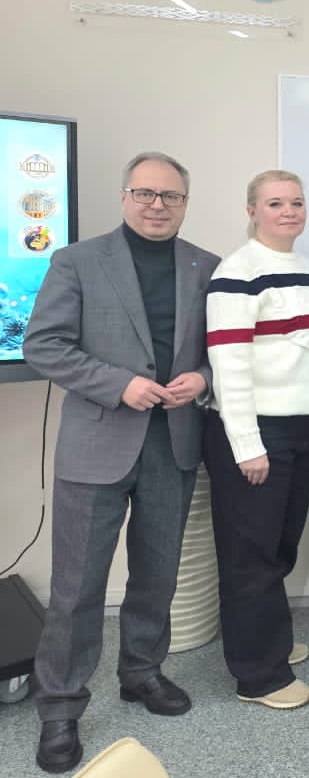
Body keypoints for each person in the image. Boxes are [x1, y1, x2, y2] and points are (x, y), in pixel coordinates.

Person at [24, 153, 218, 774]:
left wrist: (203, 378)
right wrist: (118, 384)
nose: (158, 205)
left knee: (157, 576)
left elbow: (225, 352)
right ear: (125, 196)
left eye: (171, 196)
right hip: (97, 444)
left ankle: (141, 672)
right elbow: (43, 345)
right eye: (146, 193)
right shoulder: (77, 260)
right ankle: (60, 706)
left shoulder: (207, 266)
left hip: (174, 442)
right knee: (77, 588)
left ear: (185, 203)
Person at [204, 169, 309, 710]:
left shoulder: (302, 265)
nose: (288, 211)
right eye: (275, 203)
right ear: (252, 211)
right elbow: (228, 364)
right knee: (250, 555)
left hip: (302, 426)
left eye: (296, 202)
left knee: (279, 546)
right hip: (258, 430)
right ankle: (258, 677)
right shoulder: (238, 271)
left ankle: (267, 640)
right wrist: (247, 444)